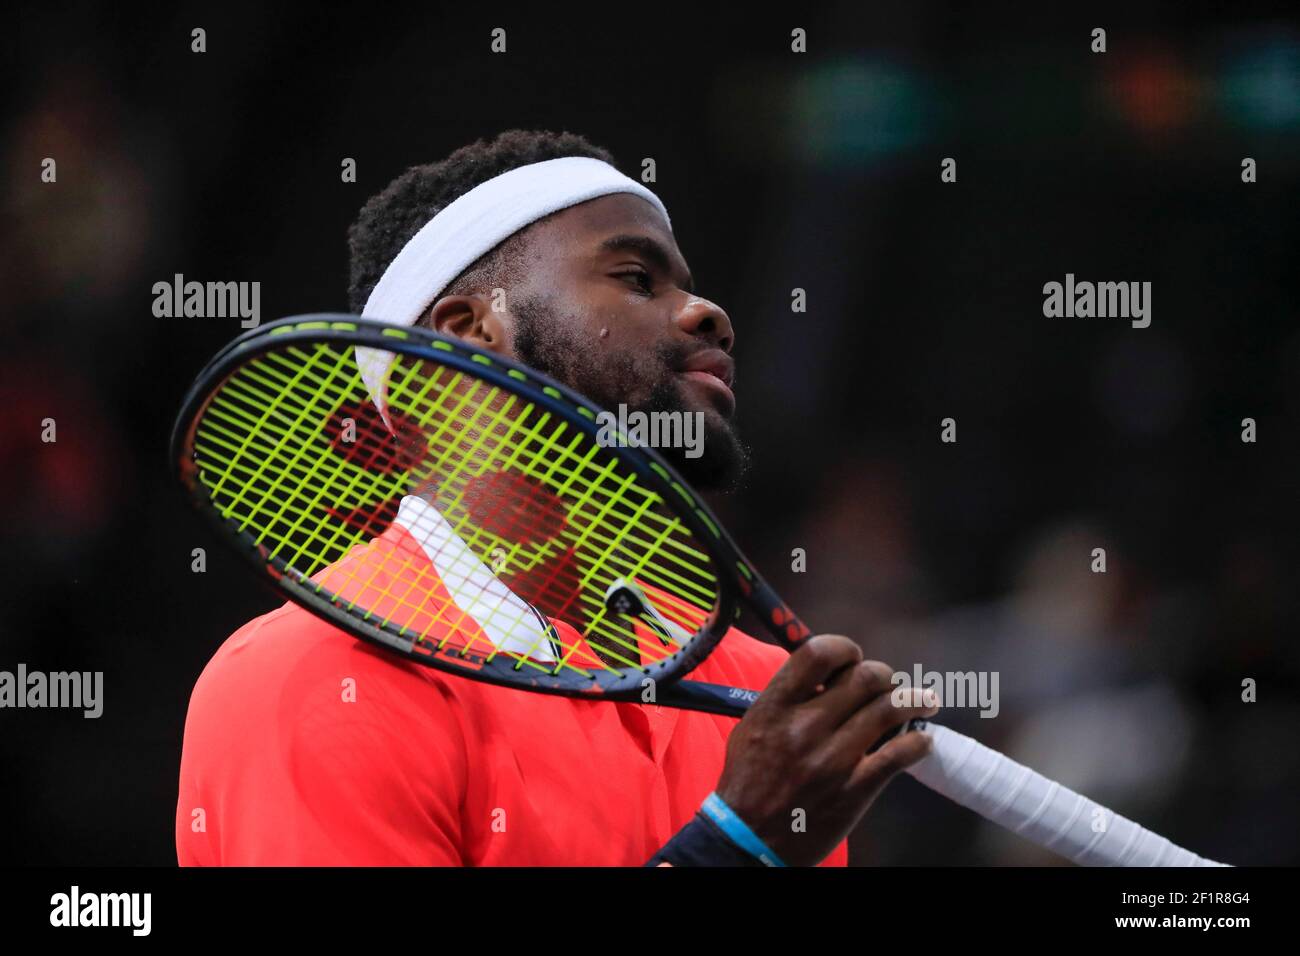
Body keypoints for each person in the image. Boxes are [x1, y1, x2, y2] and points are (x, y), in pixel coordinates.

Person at [176, 129, 938, 867]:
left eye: (688, 285)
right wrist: (735, 847)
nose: (708, 314)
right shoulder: (311, 678)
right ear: (472, 330)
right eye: (637, 278)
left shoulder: (762, 699)